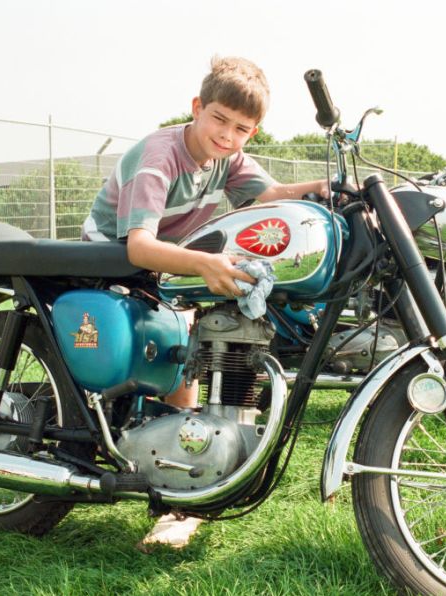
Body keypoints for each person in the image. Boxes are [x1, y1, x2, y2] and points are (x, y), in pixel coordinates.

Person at [81, 56, 328, 549]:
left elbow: (270, 193)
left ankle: (186, 468)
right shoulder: (160, 156)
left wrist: (321, 190)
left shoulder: (227, 159)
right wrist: (203, 264)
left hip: (160, 266)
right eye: (219, 119)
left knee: (193, 345)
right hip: (106, 262)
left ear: (251, 134)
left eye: (242, 129)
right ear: (197, 107)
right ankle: (181, 488)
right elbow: (137, 246)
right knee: (177, 342)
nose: (227, 135)